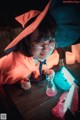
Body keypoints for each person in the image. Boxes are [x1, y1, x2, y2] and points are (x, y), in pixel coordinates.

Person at [0, 1, 59, 90]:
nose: (46, 48)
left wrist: (45, 72)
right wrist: (17, 84)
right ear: (27, 41)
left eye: (51, 40)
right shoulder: (12, 67)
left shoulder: (53, 56)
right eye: (39, 41)